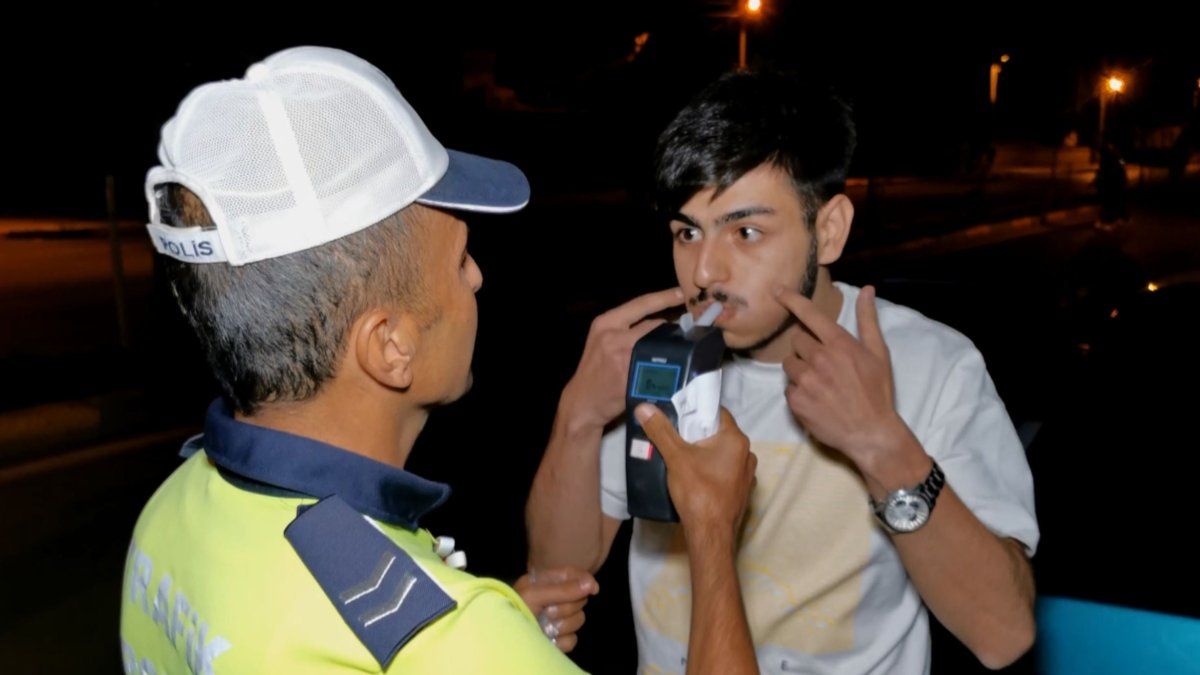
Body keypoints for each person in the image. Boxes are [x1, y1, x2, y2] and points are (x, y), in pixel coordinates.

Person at [119, 46, 759, 674]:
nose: (478, 278)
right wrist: (708, 529)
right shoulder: (447, 645)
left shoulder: (176, 503)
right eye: (459, 261)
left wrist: (496, 626)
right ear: (390, 346)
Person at [527, 69, 1039, 674]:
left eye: (746, 231)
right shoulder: (657, 361)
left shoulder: (935, 365)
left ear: (828, 230)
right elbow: (562, 578)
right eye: (687, 232)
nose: (706, 272)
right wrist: (578, 418)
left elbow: (1003, 634)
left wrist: (883, 444)